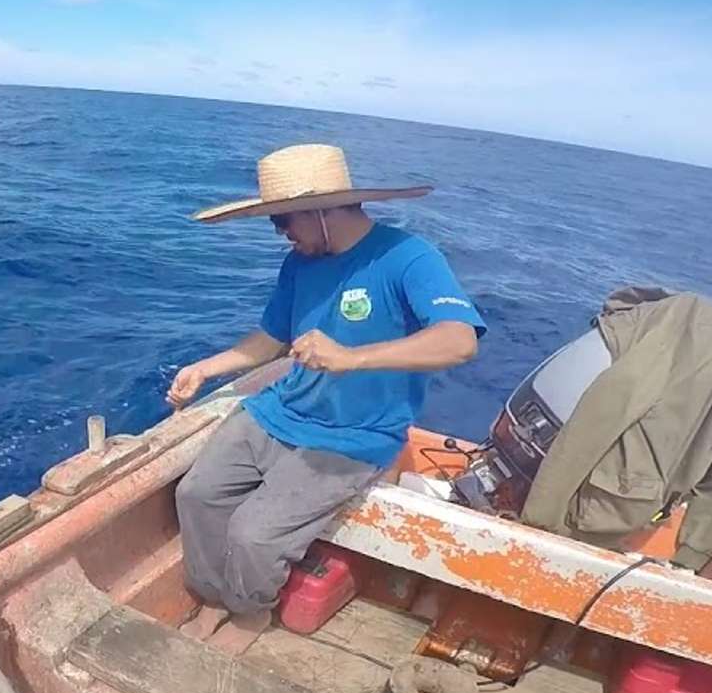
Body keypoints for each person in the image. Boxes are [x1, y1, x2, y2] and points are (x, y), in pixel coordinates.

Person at [164, 144, 485, 651]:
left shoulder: (408, 256)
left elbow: (459, 340)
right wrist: (205, 368)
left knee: (254, 534)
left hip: (354, 436)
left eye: (284, 221)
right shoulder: (300, 263)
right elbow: (271, 338)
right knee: (196, 494)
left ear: (320, 211)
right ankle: (213, 598)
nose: (282, 234)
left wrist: (350, 358)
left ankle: (250, 614)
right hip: (280, 410)